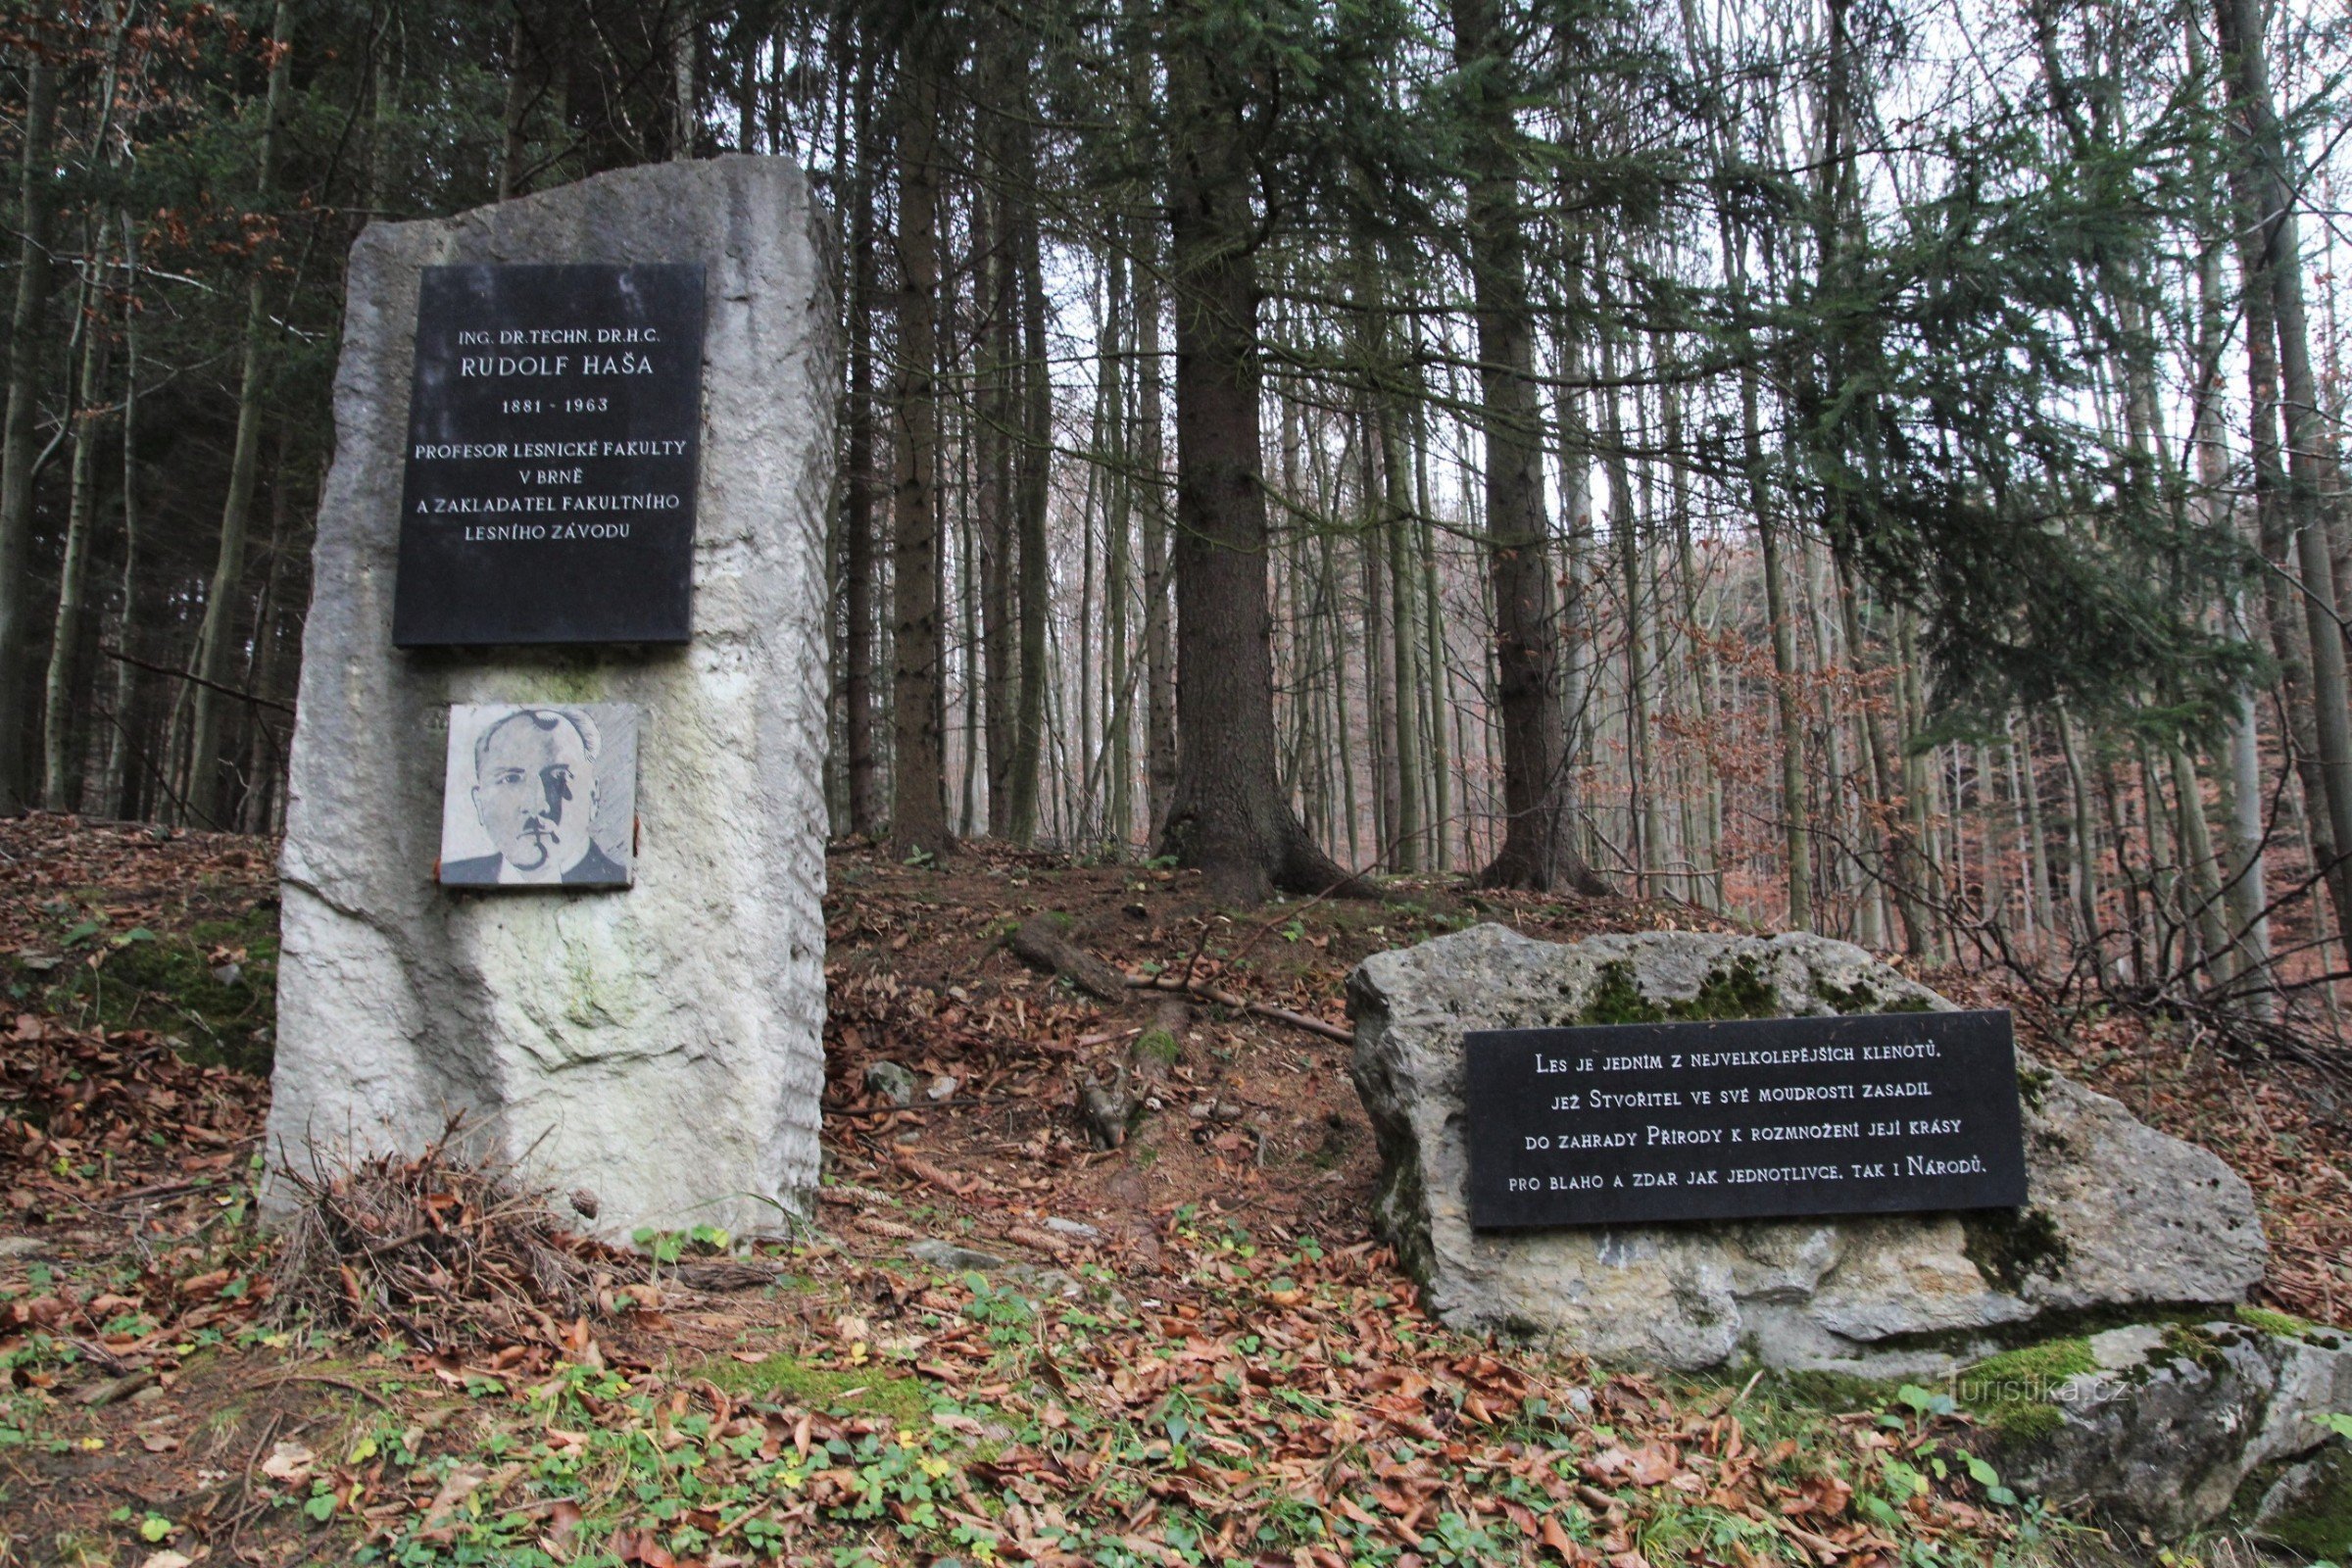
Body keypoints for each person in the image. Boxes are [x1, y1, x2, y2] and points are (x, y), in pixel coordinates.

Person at [440, 707, 627, 886]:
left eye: (559, 777)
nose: (537, 804)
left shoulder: (621, 879)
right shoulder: (453, 875)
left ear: (593, 797)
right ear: (480, 804)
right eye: (511, 779)